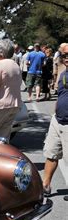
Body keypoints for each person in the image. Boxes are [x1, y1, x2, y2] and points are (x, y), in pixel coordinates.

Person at [42, 43, 68, 201]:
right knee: (51, 153)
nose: (67, 58)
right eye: (65, 56)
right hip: (57, 120)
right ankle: (45, 185)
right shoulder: (64, 73)